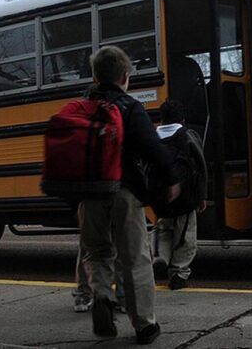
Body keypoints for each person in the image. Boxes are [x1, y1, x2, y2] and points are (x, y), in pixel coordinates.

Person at [78, 45, 180, 345]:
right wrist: (172, 178)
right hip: (124, 191)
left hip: (89, 195)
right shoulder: (129, 107)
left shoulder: (81, 108)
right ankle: (145, 325)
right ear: (125, 76)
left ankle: (101, 295)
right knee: (135, 258)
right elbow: (153, 148)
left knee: (96, 252)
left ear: (96, 76)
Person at [151, 100, 208, 290]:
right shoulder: (188, 136)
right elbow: (200, 167)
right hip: (186, 196)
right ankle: (179, 272)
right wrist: (201, 196)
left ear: (162, 118)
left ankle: (160, 257)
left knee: (163, 228)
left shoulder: (153, 137)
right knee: (185, 234)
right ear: (182, 119)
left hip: (160, 197)